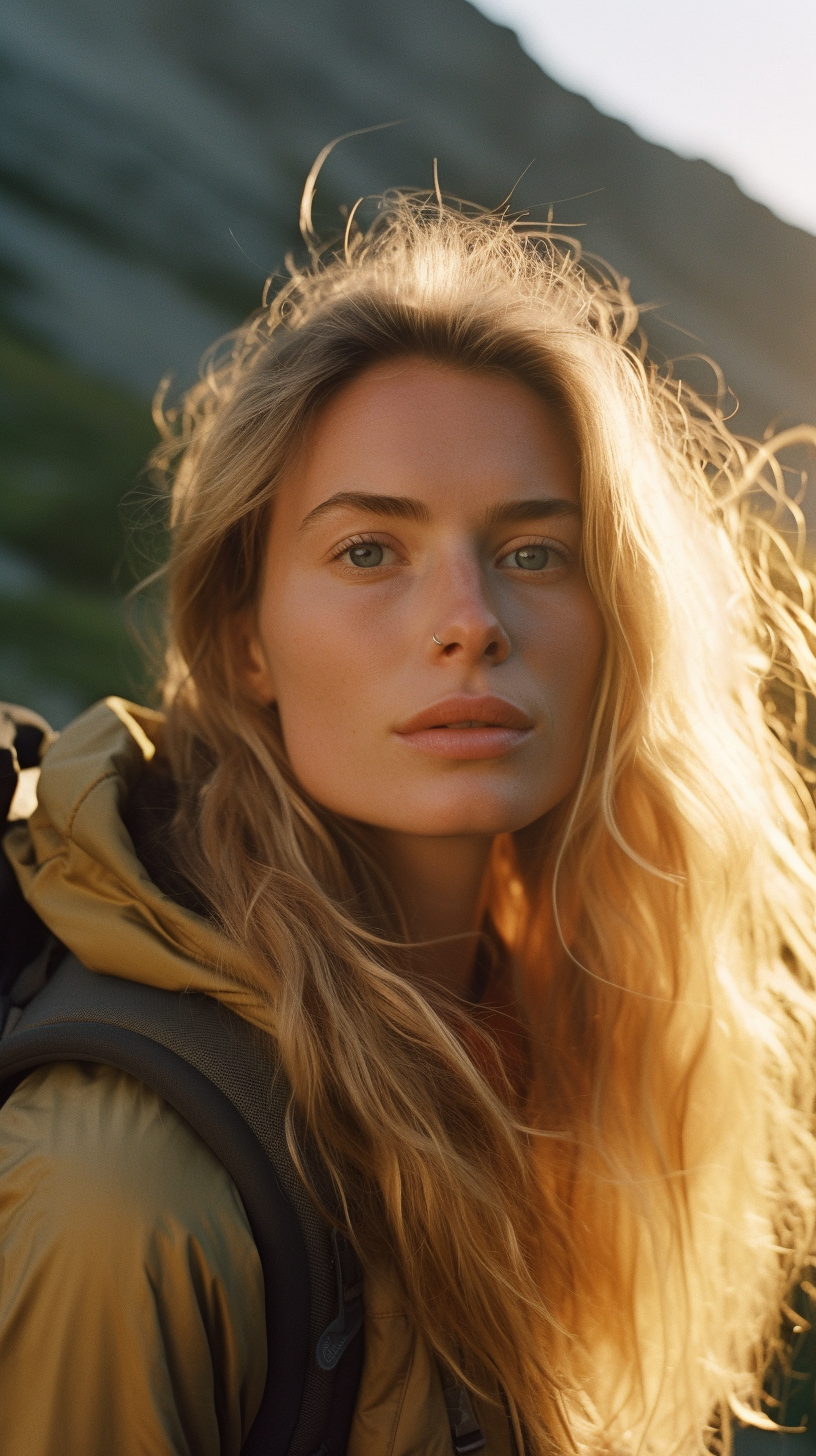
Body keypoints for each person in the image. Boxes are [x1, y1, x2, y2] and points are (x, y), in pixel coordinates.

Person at [2, 185, 816, 1456]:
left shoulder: (548, 1038)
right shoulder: (132, 1187)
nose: (472, 617)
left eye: (536, 552)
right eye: (371, 552)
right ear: (244, 639)